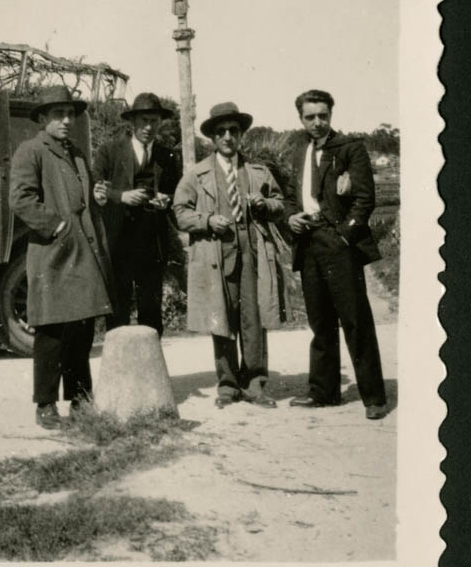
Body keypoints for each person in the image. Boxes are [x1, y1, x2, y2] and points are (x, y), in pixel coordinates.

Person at [10, 84, 114, 429]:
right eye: (59, 114)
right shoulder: (31, 151)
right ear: (43, 119)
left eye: (70, 114)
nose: (67, 120)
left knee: (82, 328)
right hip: (53, 254)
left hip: (82, 253)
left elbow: (81, 198)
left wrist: (96, 195)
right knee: (52, 331)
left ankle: (81, 401)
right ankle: (45, 406)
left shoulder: (78, 154)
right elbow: (21, 199)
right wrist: (56, 227)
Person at [173, 101, 289, 409]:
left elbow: (280, 204)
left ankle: (255, 384)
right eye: (221, 131)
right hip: (215, 255)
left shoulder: (257, 171)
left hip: (252, 254)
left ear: (241, 135)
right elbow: (180, 213)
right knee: (220, 318)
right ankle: (227, 385)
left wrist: (264, 205)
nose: (227, 137)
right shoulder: (196, 175)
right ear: (212, 137)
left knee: (253, 318)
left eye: (233, 131)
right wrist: (208, 221)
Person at [286, 89, 388, 420]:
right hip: (308, 243)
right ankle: (323, 392)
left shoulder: (350, 149)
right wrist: (291, 217)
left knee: (355, 320)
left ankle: (374, 397)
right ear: (300, 118)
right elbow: (289, 196)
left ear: (331, 115)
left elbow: (364, 199)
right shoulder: (297, 152)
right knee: (320, 322)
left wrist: (344, 237)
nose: (317, 122)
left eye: (322, 116)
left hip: (338, 243)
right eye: (310, 116)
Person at [92, 93, 181, 337]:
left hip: (152, 245)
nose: (149, 127)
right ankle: (118, 372)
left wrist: (167, 201)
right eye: (144, 121)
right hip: (118, 243)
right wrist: (122, 196)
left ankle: (150, 373)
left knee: (151, 313)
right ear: (132, 122)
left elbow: (176, 194)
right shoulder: (109, 152)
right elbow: (95, 191)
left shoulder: (168, 156)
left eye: (154, 121)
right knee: (117, 310)